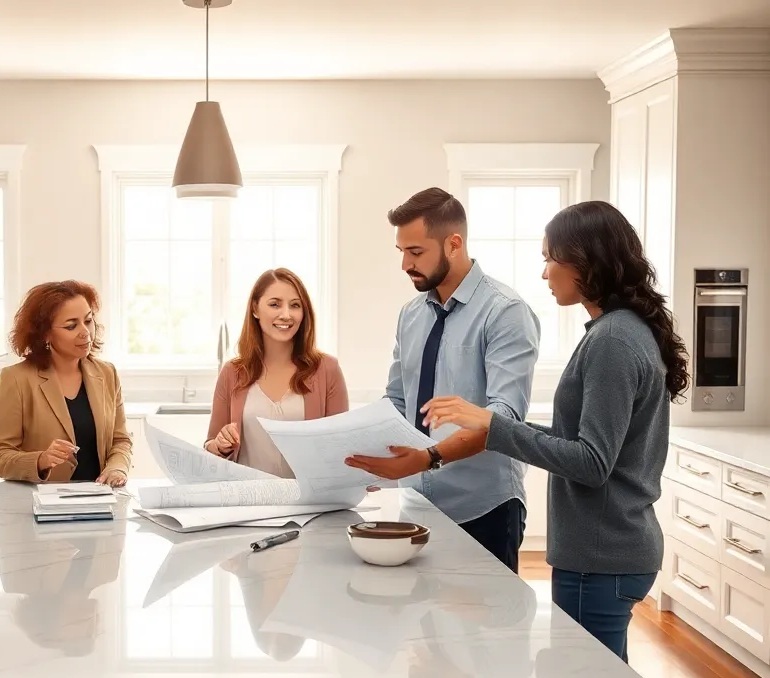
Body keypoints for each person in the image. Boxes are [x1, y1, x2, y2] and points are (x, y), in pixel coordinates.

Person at [419, 200, 690, 663]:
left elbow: (591, 462)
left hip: (599, 556)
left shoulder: (612, 340)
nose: (544, 273)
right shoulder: (619, 331)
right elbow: (581, 440)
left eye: (550, 258)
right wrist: (494, 424)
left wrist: (494, 425)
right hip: (611, 551)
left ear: (585, 260)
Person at [344, 187, 540, 573]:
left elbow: (504, 420)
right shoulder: (410, 314)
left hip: (484, 508)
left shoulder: (506, 312)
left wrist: (429, 457)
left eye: (416, 252)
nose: (405, 264)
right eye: (401, 251)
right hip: (416, 505)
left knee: (486, 614)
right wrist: (354, 447)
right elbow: (398, 400)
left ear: (453, 244)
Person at [204, 268, 349, 477]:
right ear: (255, 309)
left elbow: (341, 447)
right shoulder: (232, 373)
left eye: (295, 305)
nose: (286, 315)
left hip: (307, 496)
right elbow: (210, 445)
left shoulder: (327, 370)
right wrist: (220, 444)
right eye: (275, 304)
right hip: (248, 495)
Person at [0, 280, 132, 486]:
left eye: (88, 320)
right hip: (41, 500)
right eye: (71, 326)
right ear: (45, 333)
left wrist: (117, 467)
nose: (85, 332)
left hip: (100, 497)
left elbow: (121, 440)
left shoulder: (107, 373)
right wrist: (41, 460)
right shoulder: (16, 378)